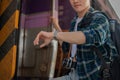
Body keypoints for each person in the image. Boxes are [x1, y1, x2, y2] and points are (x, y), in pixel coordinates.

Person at [33, 0, 118, 80]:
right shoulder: (75, 22)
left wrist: (54, 34)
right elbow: (66, 46)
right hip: (76, 74)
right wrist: (55, 31)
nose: (75, 1)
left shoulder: (99, 18)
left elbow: (90, 36)